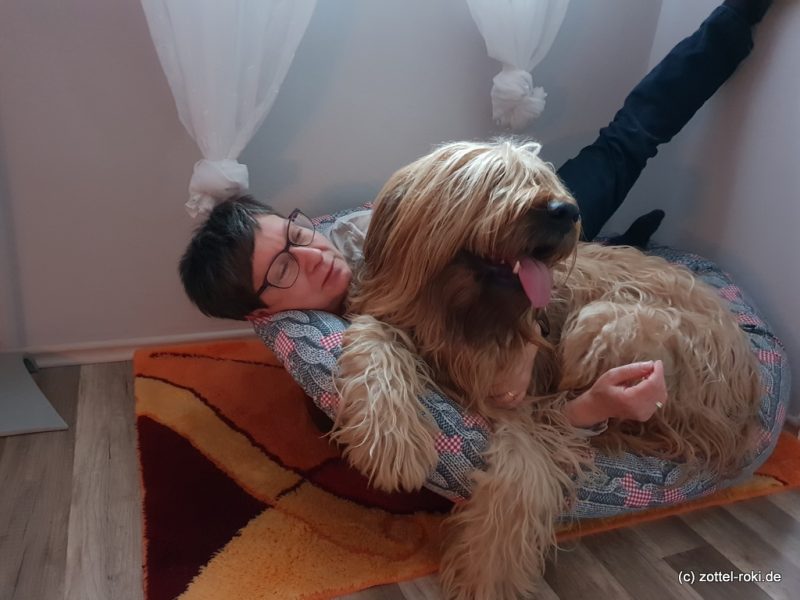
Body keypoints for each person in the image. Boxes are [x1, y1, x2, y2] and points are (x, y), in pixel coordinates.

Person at [179, 0, 771, 431]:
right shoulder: (327, 350)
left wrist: (523, 337)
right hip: (507, 266)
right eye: (284, 269)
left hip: (512, 223)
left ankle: (735, 17)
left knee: (627, 139)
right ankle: (622, 245)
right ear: (262, 313)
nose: (312, 255)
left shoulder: (358, 236)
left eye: (296, 234)